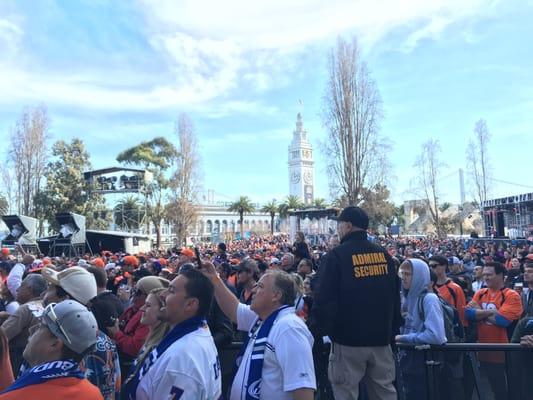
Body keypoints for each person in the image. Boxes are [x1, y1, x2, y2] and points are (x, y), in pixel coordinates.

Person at [311, 206, 401, 400]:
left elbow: (324, 300)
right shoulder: (383, 255)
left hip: (347, 344)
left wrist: (316, 332)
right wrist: (392, 332)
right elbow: (394, 296)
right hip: (381, 342)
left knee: (345, 394)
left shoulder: (336, 256)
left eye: (340, 224)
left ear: (349, 226)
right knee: (385, 394)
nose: (338, 229)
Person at [201, 261, 316, 400]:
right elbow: (234, 310)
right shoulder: (263, 318)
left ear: (276, 296)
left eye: (260, 286)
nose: (254, 290)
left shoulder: (290, 329)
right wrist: (214, 278)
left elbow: (303, 389)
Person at [128, 268, 221, 400]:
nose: (162, 295)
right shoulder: (196, 332)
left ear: (190, 304)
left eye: (171, 290)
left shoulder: (182, 358)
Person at [41, 266, 121, 400]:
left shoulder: (50, 340)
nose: (45, 293)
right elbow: (115, 388)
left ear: (64, 299)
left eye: (50, 288)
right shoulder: (106, 342)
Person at [0, 300, 103, 399]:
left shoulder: (14, 396)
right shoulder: (94, 394)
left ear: (55, 344)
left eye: (40, 327)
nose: (31, 330)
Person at [465, 262, 523, 400]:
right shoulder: (480, 293)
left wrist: (479, 310)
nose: (486, 277)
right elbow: (468, 314)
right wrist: (491, 312)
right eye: (484, 274)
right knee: (482, 391)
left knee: (502, 392)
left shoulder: (511, 295)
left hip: (503, 354)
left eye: (489, 274)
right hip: (482, 352)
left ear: (501, 275)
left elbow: (503, 321)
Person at [396, 258, 446, 400]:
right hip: (405, 361)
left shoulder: (429, 299)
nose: (403, 278)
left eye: (408, 274)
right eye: (402, 273)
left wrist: (403, 338)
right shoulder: (403, 298)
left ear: (420, 276)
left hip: (424, 362)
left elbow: (436, 336)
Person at [121, 288, 169, 397]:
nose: (142, 308)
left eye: (148, 305)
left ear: (163, 310)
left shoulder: (159, 348)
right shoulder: (150, 341)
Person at [1, 274, 46, 373]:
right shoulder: (45, 306)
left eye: (21, 286)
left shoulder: (26, 309)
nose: (17, 290)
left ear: (29, 289)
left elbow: (3, 336)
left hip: (16, 364)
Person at [429, 255, 467, 324]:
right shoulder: (429, 287)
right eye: (430, 266)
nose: (431, 268)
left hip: (451, 328)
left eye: (434, 266)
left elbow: (461, 313)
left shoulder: (455, 288)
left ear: (444, 266)